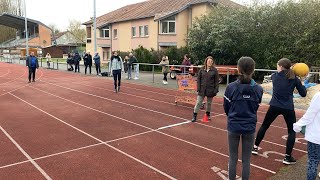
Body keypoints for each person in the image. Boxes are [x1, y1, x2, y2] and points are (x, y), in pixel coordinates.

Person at [252, 58, 307, 165]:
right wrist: (302, 82)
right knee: (291, 131)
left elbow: (283, 74)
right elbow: (303, 94)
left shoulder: (275, 76)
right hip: (288, 107)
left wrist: (292, 70)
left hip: (274, 106)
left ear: (281, 67)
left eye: (278, 65)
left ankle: (255, 147)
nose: (277, 67)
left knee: (264, 125)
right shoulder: (294, 79)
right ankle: (287, 157)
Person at [223, 57, 263, 180]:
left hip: (233, 126)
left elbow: (226, 108)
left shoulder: (231, 87)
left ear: (238, 69)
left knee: (233, 157)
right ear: (253, 70)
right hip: (249, 127)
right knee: (246, 160)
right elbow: (255, 107)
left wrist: (233, 116)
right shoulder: (258, 89)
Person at [293, 92, 320, 180]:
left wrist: (298, 125)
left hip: (316, 136)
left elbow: (310, 114)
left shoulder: (318, 96)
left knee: (313, 161)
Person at [191, 56, 219, 122]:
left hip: (211, 89)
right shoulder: (201, 69)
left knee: (209, 103)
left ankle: (208, 114)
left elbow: (216, 81)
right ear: (206, 62)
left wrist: (216, 90)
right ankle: (194, 115)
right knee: (198, 102)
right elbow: (198, 79)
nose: (210, 62)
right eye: (209, 61)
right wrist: (198, 88)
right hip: (202, 89)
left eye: (211, 62)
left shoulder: (214, 70)